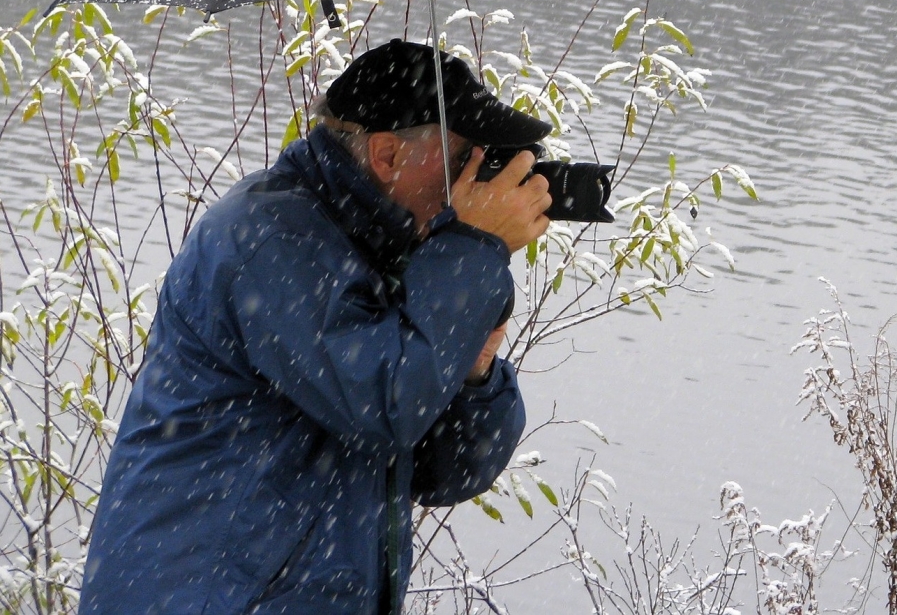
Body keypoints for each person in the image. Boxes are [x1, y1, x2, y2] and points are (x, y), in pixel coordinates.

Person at [79, 40, 554, 615]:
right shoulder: (270, 238)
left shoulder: (382, 249)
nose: (477, 180)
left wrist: (475, 368)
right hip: (203, 598)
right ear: (386, 157)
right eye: (465, 158)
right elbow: (385, 404)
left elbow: (444, 469)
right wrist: (474, 252)